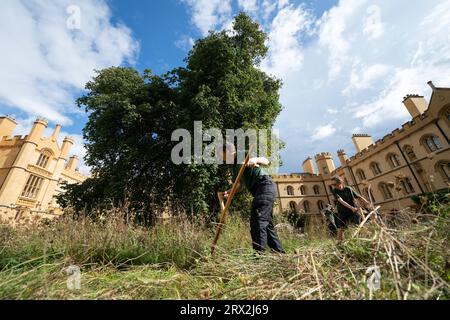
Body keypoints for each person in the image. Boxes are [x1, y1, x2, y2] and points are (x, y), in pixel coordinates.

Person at [220, 142, 285, 253]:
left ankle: (260, 257)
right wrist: (229, 192)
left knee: (258, 220)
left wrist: (254, 160)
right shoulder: (234, 168)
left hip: (264, 185)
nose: (222, 159)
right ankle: (279, 254)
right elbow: (239, 185)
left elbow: (266, 160)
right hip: (258, 191)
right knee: (267, 224)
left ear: (228, 151)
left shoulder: (242, 154)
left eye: (222, 155)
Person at [330, 176, 373, 242]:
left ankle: (369, 239)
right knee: (341, 229)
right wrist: (352, 208)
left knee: (359, 224)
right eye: (332, 185)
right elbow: (341, 201)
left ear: (340, 182)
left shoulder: (348, 189)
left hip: (352, 211)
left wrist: (367, 203)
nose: (333, 186)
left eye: (334, 184)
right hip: (342, 212)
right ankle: (339, 244)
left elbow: (358, 197)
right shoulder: (334, 191)